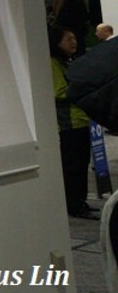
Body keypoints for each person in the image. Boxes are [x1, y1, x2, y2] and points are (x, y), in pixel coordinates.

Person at [50, 24, 96, 218]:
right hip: (68, 125)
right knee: (73, 167)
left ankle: (81, 201)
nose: (74, 42)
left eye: (75, 39)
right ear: (57, 42)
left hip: (81, 121)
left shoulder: (69, 61)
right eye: (69, 39)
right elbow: (59, 92)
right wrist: (83, 88)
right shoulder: (53, 63)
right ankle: (74, 204)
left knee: (82, 163)